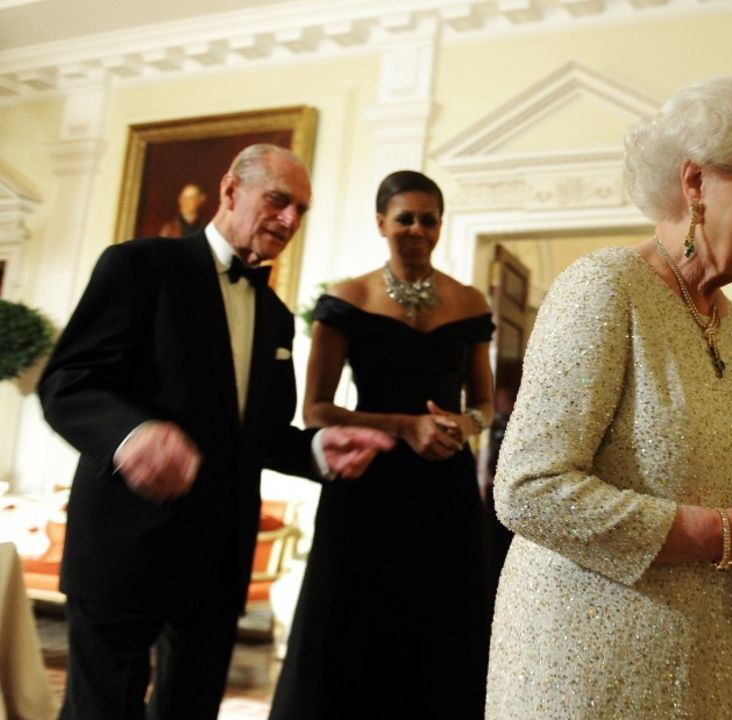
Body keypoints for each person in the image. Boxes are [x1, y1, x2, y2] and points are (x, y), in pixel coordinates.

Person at [486, 76, 732, 719]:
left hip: (716, 666)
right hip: (595, 668)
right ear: (695, 183)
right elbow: (526, 488)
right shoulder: (604, 288)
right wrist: (722, 534)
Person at [38, 143, 394, 720]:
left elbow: (258, 434)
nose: (290, 220)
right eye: (279, 201)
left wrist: (316, 450)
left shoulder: (276, 316)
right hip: (125, 547)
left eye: (301, 210)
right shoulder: (138, 266)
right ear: (230, 191)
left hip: (217, 559)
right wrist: (133, 434)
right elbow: (68, 383)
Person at [269, 170, 495, 719]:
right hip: (365, 481)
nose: (417, 229)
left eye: (429, 219)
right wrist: (404, 426)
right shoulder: (346, 300)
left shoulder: (468, 303)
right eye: (405, 218)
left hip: (444, 487)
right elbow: (316, 409)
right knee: (352, 621)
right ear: (380, 223)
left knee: (442, 621)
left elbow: (485, 403)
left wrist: (462, 426)